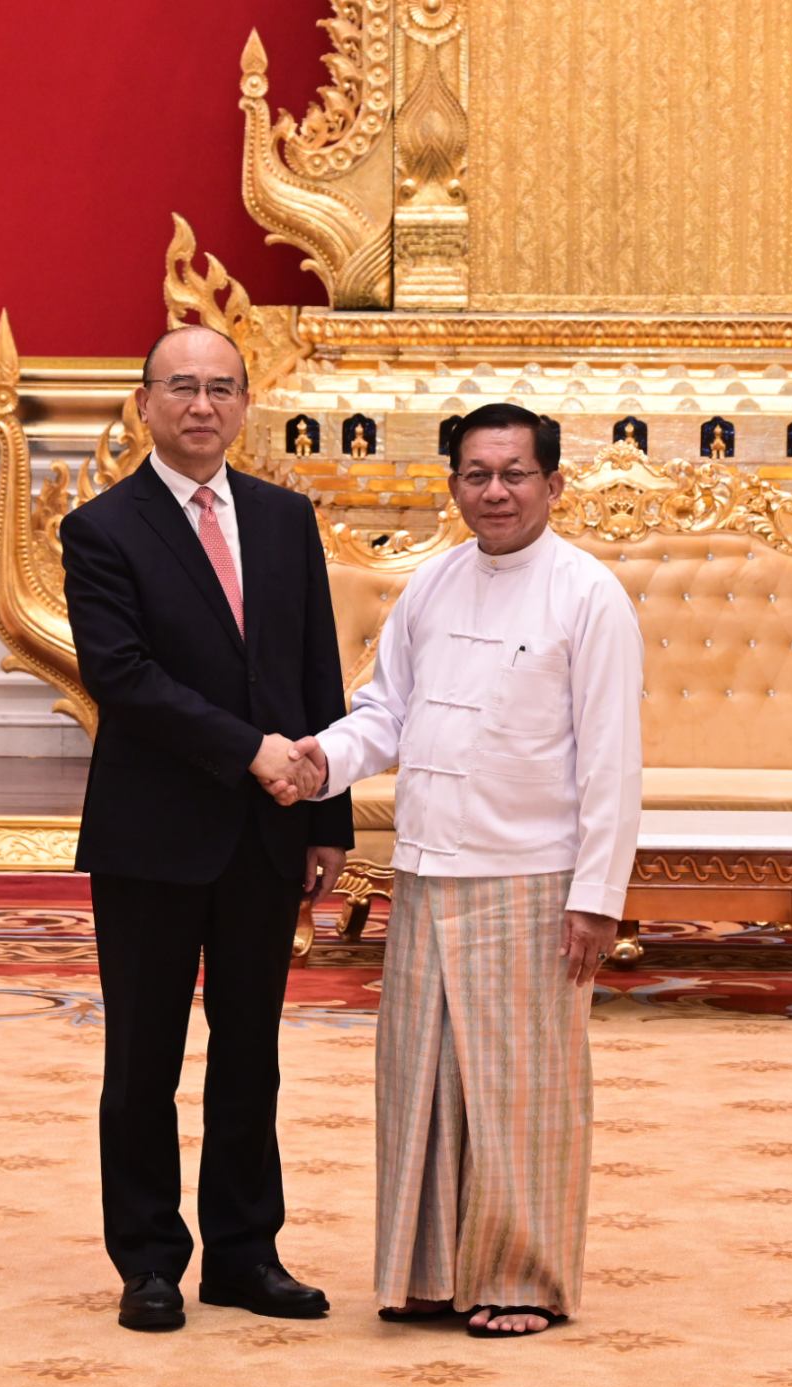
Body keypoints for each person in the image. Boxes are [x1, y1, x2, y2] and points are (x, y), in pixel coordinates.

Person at [276, 402, 643, 1336]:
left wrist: (596, 897)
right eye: (476, 475)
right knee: (423, 1081)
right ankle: (431, 1271)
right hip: (427, 868)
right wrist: (323, 759)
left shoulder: (587, 594)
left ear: (553, 485)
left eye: (514, 474)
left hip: (532, 876)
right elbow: (385, 714)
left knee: (521, 1088)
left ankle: (520, 1279)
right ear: (453, 486)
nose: (495, 492)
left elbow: (611, 761)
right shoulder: (431, 583)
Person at [59, 324, 351, 1333]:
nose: (201, 405)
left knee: (250, 1053)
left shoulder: (283, 518)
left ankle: (243, 1253)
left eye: (221, 387)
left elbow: (315, 667)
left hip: (269, 834)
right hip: (152, 834)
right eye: (180, 386)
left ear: (245, 404)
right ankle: (147, 1258)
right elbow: (124, 678)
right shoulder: (102, 528)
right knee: (143, 1056)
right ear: (144, 402)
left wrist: (327, 816)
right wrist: (248, 751)